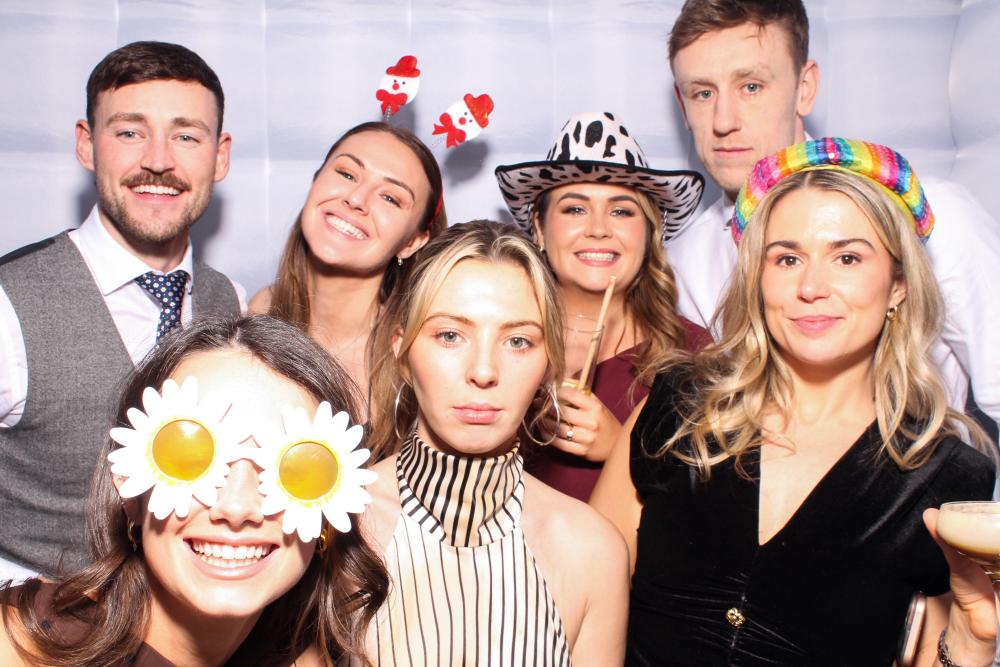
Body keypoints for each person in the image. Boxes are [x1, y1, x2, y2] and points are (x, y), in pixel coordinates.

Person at [592, 140, 998, 665]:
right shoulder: (678, 408)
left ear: (898, 283)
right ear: (758, 279)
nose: (811, 286)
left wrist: (973, 642)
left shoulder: (945, 476)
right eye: (787, 258)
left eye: (847, 258)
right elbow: (583, 605)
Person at [663, 0, 1000, 437]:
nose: (724, 121)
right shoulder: (684, 259)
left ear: (805, 88)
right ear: (682, 104)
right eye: (703, 93)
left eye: (751, 86)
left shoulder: (933, 216)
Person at [0, 315, 387, 666]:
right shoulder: (18, 646)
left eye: (297, 469)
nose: (237, 506)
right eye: (188, 457)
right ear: (130, 491)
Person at [0, 41, 245, 581]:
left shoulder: (231, 301)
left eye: (186, 136)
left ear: (220, 156)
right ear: (87, 145)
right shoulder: (7, 305)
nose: (158, 160)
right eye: (130, 132)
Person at [362, 221, 629, 665]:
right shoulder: (335, 526)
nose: (484, 371)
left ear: (548, 362)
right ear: (402, 351)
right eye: (450, 336)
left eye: (518, 341)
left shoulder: (593, 550)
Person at [494, 111, 709, 501]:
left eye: (621, 210)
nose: (598, 229)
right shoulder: (493, 342)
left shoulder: (696, 357)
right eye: (575, 209)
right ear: (539, 227)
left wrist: (622, 449)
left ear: (650, 231)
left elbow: (717, 508)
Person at [250, 121, 447, 407]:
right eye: (347, 174)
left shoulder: (416, 355)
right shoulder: (259, 312)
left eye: (390, 198)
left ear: (412, 242)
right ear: (315, 181)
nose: (356, 199)